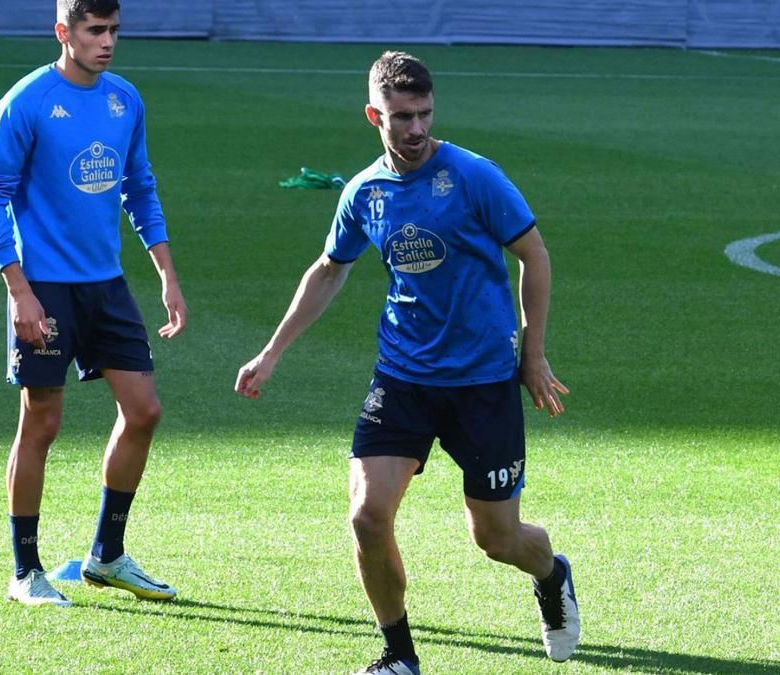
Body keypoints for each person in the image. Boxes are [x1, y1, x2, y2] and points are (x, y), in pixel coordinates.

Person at [236, 51, 580, 673]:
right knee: (367, 516)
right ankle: (399, 656)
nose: (416, 129)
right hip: (402, 378)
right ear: (375, 116)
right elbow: (330, 269)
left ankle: (552, 574)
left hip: (481, 382)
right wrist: (271, 352)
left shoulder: (475, 176)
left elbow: (536, 255)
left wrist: (533, 355)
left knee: (497, 540)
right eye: (401, 118)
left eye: (424, 114)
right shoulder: (363, 192)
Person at [0, 0, 186, 608]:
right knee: (42, 420)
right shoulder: (27, 101)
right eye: (96, 30)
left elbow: (139, 186)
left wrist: (166, 273)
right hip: (44, 285)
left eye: (114, 30)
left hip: (107, 283)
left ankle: (107, 555)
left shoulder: (125, 100)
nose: (108, 41)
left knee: (143, 410)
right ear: (63, 32)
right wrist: (19, 289)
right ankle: (24, 571)